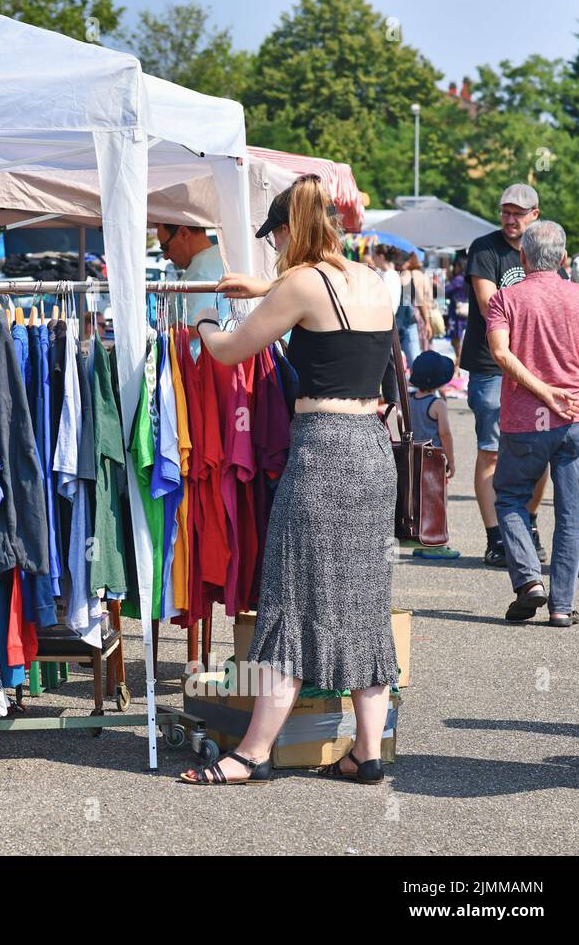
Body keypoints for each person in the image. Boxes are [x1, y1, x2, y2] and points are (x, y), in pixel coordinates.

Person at [179, 175, 398, 785]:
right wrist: (266, 285)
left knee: (290, 597)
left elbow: (229, 352)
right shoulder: (374, 280)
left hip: (324, 452)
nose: (272, 252)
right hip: (373, 454)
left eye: (273, 240)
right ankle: (368, 750)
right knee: (362, 602)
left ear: (285, 231)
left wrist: (201, 324)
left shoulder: (299, 283)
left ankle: (252, 751)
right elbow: (322, 305)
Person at [486, 220, 579, 628]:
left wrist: (542, 391)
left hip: (524, 419)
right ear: (564, 258)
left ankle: (529, 581)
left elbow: (501, 353)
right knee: (570, 511)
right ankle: (562, 606)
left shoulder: (505, 299)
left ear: (522, 257)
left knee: (511, 497)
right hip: (577, 416)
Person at [461, 185, 550, 568]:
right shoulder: (485, 247)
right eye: (505, 212)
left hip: (537, 366)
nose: (510, 220)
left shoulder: (544, 248)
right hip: (491, 364)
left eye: (518, 213)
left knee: (540, 450)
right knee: (492, 450)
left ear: (535, 214)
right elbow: (487, 304)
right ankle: (496, 536)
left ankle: (527, 526)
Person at [407, 351, 460, 560]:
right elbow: (445, 434)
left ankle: (421, 541)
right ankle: (436, 543)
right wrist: (451, 460)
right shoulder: (437, 404)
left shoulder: (409, 401)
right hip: (434, 460)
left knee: (420, 503)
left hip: (414, 458)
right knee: (439, 503)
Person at [156, 222, 226, 324]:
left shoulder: (202, 269)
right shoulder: (216, 256)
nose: (165, 256)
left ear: (183, 233)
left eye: (165, 247)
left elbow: (194, 327)